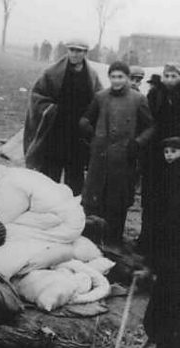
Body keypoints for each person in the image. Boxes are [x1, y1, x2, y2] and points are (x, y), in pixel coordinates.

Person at [79, 61, 154, 246]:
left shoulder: (138, 99)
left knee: (118, 201)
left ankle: (113, 241)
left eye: (121, 77)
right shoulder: (100, 97)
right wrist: (92, 135)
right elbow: (86, 119)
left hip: (123, 159)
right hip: (100, 158)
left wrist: (137, 143)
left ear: (127, 78)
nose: (117, 81)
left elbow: (151, 127)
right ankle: (91, 240)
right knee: (94, 199)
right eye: (113, 77)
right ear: (109, 77)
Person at [23, 38, 103, 195]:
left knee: (75, 175)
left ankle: (73, 209)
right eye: (71, 50)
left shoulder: (92, 76)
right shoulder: (52, 72)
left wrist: (89, 119)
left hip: (78, 133)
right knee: (50, 174)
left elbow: (98, 99)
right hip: (56, 130)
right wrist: (51, 110)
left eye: (79, 51)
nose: (74, 54)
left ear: (85, 53)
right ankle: (47, 205)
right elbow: (37, 95)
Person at [138, 64, 180, 258]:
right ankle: (147, 241)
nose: (170, 79)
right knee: (152, 197)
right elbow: (148, 121)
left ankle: (169, 242)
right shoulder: (154, 95)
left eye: (174, 76)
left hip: (176, 152)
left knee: (172, 198)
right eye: (167, 76)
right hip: (155, 153)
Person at [142, 136, 180, 348]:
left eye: (174, 151)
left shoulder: (172, 176)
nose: (169, 156)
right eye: (166, 152)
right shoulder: (168, 175)